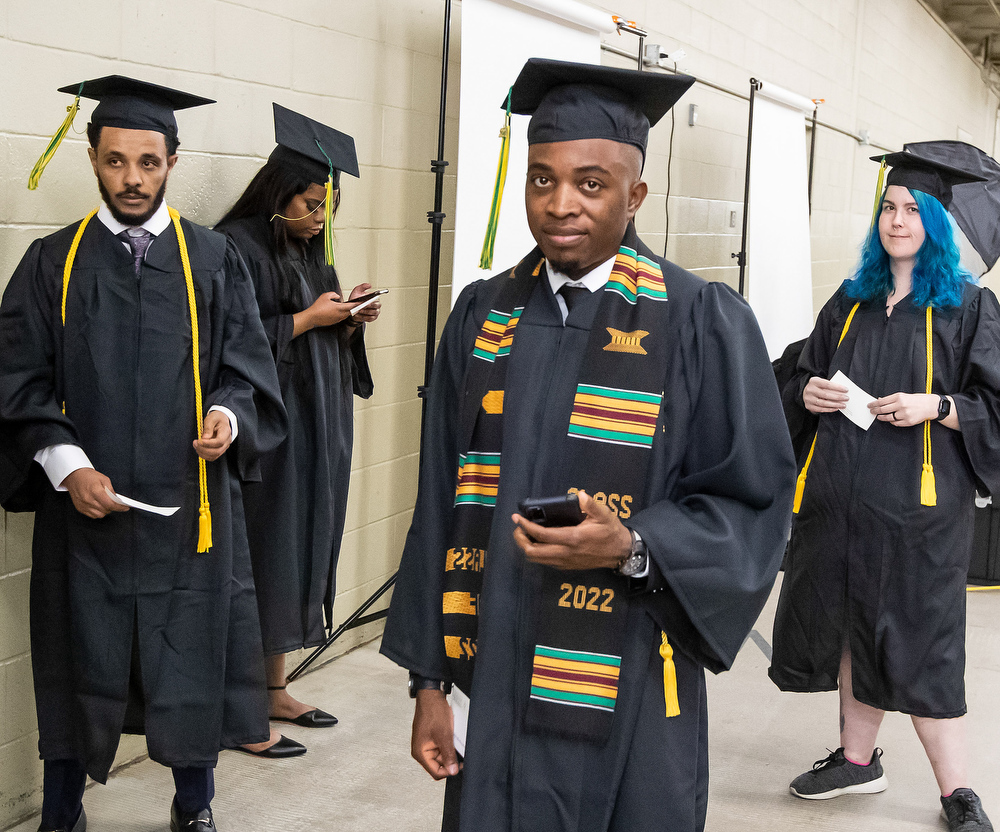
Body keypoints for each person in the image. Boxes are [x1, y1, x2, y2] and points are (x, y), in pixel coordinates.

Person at [380, 58, 797, 832]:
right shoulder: (481, 317)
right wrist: (429, 683)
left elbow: (752, 503)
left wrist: (635, 544)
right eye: (542, 180)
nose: (560, 204)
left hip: (633, 671)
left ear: (635, 195)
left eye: (591, 183)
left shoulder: (700, 320)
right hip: (493, 667)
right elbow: (440, 498)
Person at [0, 75, 287, 832]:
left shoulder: (215, 259)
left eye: (149, 162)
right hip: (84, 516)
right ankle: (62, 810)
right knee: (75, 664)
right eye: (117, 161)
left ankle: (193, 807)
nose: (133, 179)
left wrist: (227, 415)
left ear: (173, 160)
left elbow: (246, 368)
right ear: (92, 158)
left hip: (189, 518)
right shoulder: (50, 264)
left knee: (192, 657)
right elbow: (16, 382)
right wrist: (66, 464)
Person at [769, 147, 1000, 832]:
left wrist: (937, 407)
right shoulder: (852, 301)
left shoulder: (969, 307)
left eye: (913, 210)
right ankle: (858, 759)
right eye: (889, 208)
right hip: (842, 497)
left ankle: (957, 792)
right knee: (848, 625)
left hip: (922, 511)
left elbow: (995, 402)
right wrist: (806, 392)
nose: (897, 220)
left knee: (922, 641)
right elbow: (801, 371)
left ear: (936, 221)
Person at [215, 103, 380, 754]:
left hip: (316, 426)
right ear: (278, 193)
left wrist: (346, 318)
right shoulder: (235, 246)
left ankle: (274, 687)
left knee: (301, 550)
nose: (321, 218)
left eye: (328, 206)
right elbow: (223, 343)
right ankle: (237, 711)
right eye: (311, 204)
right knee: (260, 557)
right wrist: (308, 320)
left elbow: (318, 321)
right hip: (265, 429)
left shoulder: (313, 249)